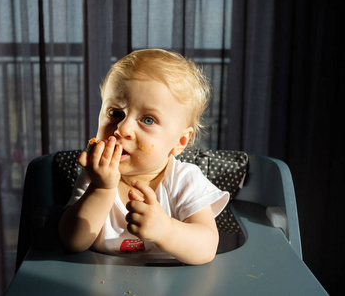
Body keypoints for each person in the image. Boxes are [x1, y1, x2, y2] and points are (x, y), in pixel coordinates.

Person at [59, 49, 229, 265]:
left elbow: (206, 247)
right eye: (115, 113)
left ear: (180, 142)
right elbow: (73, 241)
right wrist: (101, 189)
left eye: (148, 120)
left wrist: (166, 231)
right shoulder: (96, 176)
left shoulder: (185, 180)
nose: (122, 128)